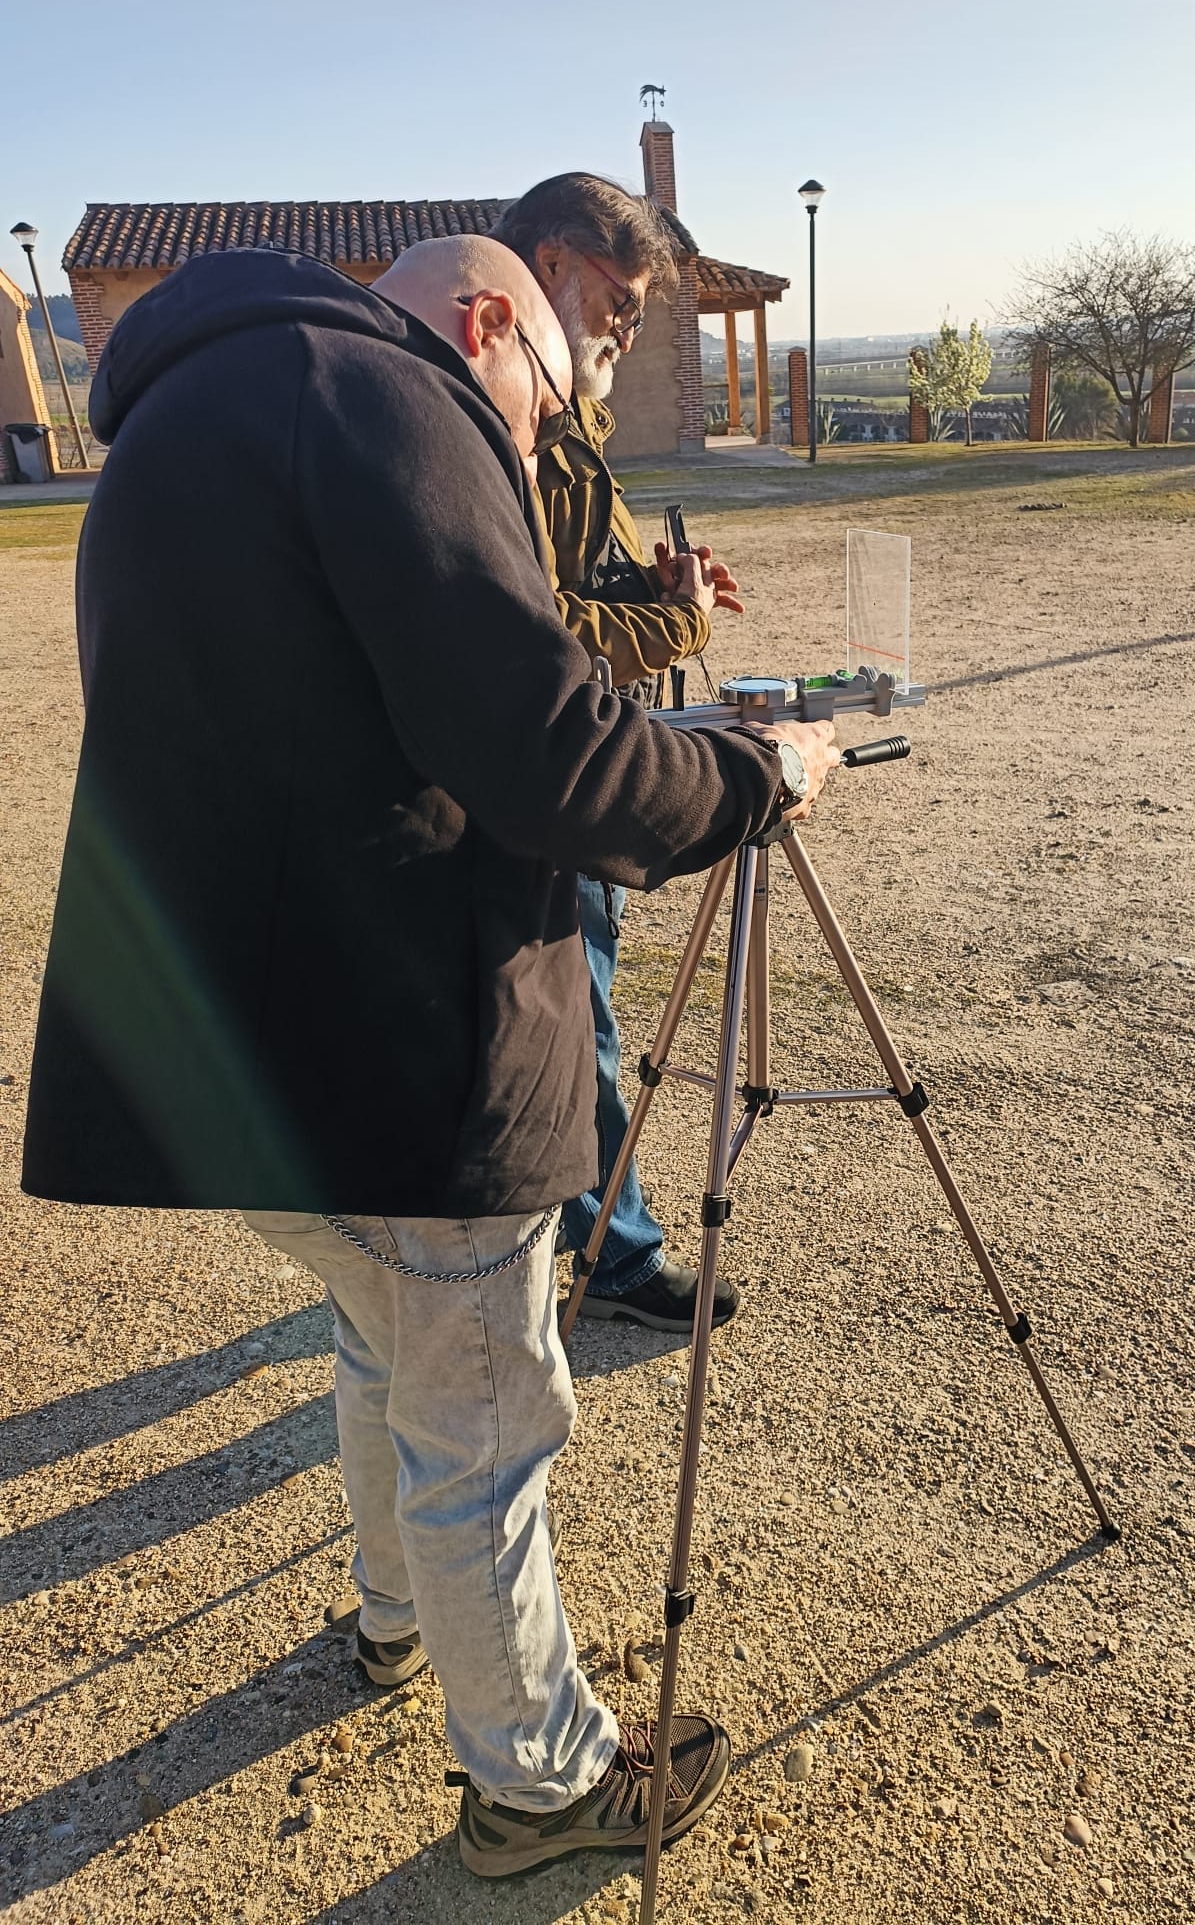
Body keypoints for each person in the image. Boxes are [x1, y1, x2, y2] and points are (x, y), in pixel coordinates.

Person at [21, 235, 838, 1875]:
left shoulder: (187, 415)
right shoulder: (389, 396)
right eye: (539, 403)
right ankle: (539, 1784)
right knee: (483, 1423)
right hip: (410, 1050)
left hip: (247, 1066)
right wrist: (759, 775)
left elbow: (368, 703)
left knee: (385, 1343)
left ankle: (396, 1617)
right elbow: (544, 755)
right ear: (484, 325)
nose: (533, 442)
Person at [491, 175, 743, 1332]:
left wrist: (656, 585)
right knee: (576, 1020)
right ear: (551, 265)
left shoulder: (566, 421)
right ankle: (614, 1258)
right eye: (621, 303)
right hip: (550, 769)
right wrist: (675, 625)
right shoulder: (509, 424)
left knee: (576, 1011)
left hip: (577, 752)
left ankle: (574, 1238)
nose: (628, 333)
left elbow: (581, 581)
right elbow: (539, 630)